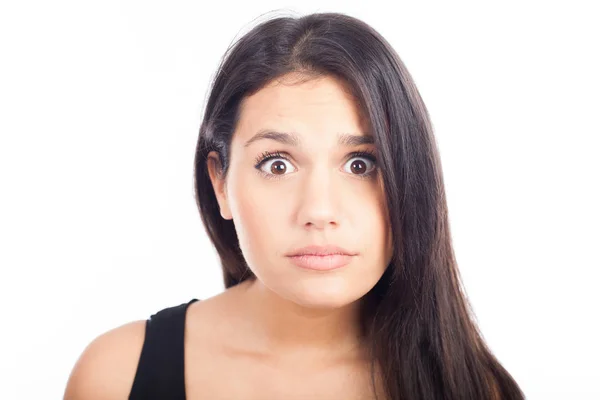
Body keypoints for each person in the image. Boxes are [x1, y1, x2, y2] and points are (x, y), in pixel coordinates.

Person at [64, 12, 525, 400]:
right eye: (278, 165)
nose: (319, 210)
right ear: (220, 182)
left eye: (361, 164)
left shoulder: (472, 388)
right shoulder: (115, 377)